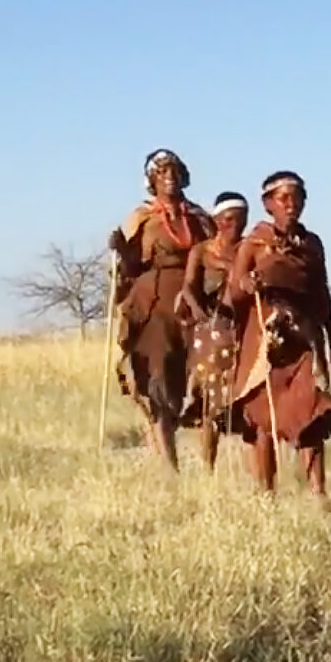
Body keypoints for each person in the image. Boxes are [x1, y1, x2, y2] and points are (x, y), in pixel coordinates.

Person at [225, 170, 331, 495]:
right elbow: (233, 294)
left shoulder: (311, 244)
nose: (291, 204)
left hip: (304, 338)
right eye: (283, 198)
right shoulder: (253, 244)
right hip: (264, 340)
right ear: (268, 204)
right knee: (263, 419)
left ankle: (318, 493)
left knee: (311, 413)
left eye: (298, 197)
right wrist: (246, 284)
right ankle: (267, 496)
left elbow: (321, 292)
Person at [107, 149, 213, 466]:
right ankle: (169, 463)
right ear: (152, 180)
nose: (170, 178)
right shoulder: (142, 217)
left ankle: (209, 462)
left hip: (196, 300)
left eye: (174, 172)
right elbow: (128, 265)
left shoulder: (199, 217)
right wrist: (119, 251)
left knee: (205, 376)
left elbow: (218, 253)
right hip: (153, 304)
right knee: (158, 375)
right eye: (162, 173)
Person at [178, 192, 251, 471]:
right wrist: (198, 311)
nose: (236, 225)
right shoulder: (201, 251)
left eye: (241, 219)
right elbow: (188, 286)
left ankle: (253, 468)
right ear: (217, 220)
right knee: (210, 402)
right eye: (230, 219)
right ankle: (208, 466)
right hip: (210, 328)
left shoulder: (250, 248)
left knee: (246, 397)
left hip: (244, 327)